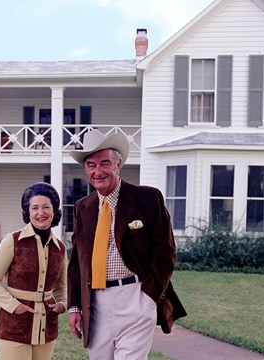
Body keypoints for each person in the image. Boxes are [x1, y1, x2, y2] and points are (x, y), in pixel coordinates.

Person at [67, 129, 186, 359]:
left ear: (118, 164)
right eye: (91, 165)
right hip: (95, 304)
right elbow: (76, 262)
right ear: (85, 169)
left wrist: (148, 297)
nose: (98, 171)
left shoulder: (147, 198)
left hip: (135, 298)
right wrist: (75, 307)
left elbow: (165, 252)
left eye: (105, 163)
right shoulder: (83, 207)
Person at [0, 182, 68, 360]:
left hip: (46, 324)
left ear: (54, 210)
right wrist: (14, 306)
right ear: (27, 212)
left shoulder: (59, 248)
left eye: (46, 207)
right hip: (13, 324)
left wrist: (62, 303)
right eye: (34, 208)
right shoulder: (13, 241)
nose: (40, 213)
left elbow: (62, 286)